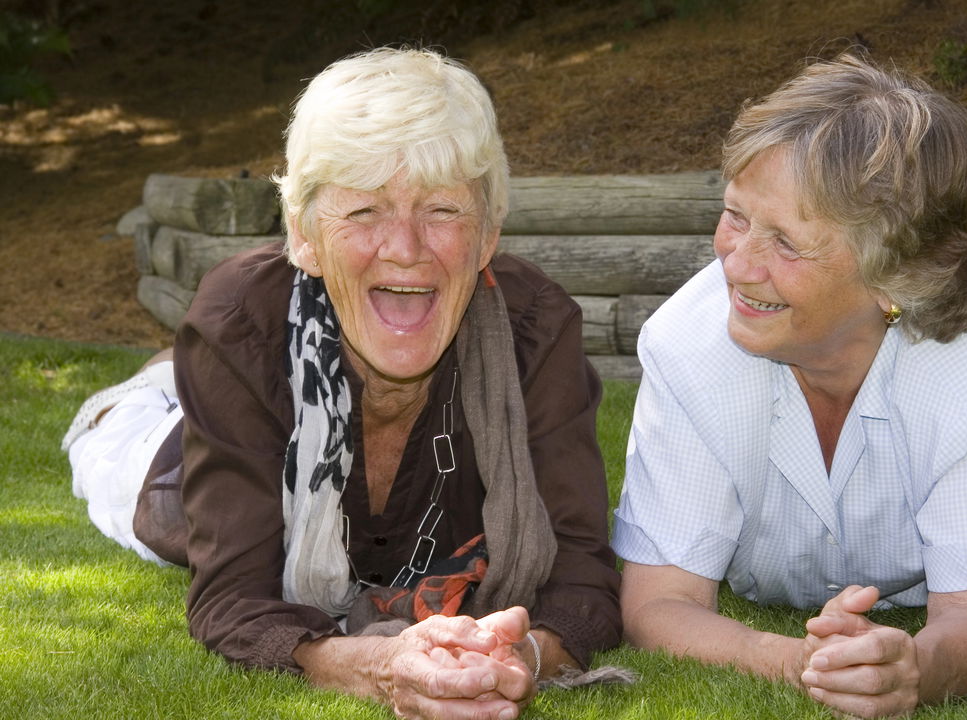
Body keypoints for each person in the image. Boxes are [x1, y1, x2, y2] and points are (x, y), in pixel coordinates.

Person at [64, 47, 621, 720]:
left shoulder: (536, 327)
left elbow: (584, 576)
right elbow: (232, 597)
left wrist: (518, 656)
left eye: (442, 210)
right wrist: (381, 666)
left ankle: (172, 376)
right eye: (365, 212)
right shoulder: (241, 321)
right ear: (303, 236)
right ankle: (156, 383)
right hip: (164, 464)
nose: (406, 247)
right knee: (109, 441)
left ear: (487, 236)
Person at [611, 53, 967, 718]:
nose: (737, 263)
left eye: (786, 242)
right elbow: (658, 600)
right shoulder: (685, 345)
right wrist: (797, 663)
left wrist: (916, 669)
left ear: (896, 276)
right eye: (735, 215)